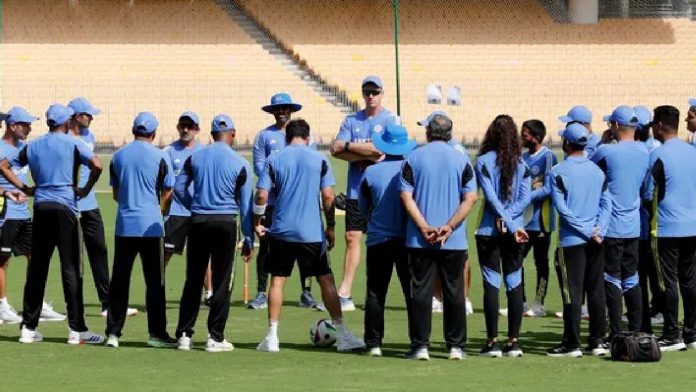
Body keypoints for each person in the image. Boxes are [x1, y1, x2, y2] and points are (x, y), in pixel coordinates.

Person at [254, 119, 364, 353]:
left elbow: (262, 196)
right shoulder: (320, 159)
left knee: (278, 281)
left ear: (287, 137)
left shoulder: (274, 159)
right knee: (326, 280)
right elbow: (328, 197)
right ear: (308, 136)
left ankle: (272, 337)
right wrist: (331, 226)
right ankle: (343, 335)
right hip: (311, 232)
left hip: (282, 230)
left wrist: (257, 221)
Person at [0, 104, 104, 345]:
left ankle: (28, 328)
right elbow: (97, 165)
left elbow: (4, 165)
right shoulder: (73, 143)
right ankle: (77, 330)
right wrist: (85, 189)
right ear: (67, 122)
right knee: (71, 268)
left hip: (41, 209)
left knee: (37, 268)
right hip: (66, 208)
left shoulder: (33, 145)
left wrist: (25, 188)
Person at [400, 113, 478, 361]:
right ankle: (456, 346)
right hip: (452, 240)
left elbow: (405, 195)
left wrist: (423, 226)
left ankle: (420, 345)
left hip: (419, 239)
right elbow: (471, 198)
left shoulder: (413, 157)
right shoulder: (461, 159)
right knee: (454, 292)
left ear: (428, 133)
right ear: (450, 133)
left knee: (420, 292)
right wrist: (450, 226)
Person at [174, 114, 254, 352]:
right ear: (233, 134)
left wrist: (195, 205)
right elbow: (246, 206)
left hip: (198, 221)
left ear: (210, 134)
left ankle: (184, 336)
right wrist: (248, 237)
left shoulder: (195, 157)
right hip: (225, 221)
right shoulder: (241, 163)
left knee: (194, 279)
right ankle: (215, 337)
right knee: (221, 281)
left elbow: (179, 188)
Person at [105, 112, 177, 349]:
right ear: (154, 134)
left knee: (120, 281)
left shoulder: (118, 156)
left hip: (125, 225)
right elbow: (167, 193)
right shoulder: (161, 156)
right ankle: (156, 334)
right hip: (151, 227)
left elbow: (116, 194)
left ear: (133, 130)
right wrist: (157, 210)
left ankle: (113, 334)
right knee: (155, 282)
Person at [330, 75, 399, 311]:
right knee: (352, 237)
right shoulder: (352, 120)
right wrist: (365, 152)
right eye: (367, 92)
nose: (370, 96)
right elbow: (336, 149)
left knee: (384, 240)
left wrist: (354, 150)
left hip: (382, 192)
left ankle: (382, 293)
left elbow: (383, 151)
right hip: (356, 191)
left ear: (381, 93)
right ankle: (345, 292)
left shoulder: (391, 120)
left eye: (375, 92)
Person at [67, 97, 138, 318]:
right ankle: (74, 308)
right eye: (89, 115)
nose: (91, 119)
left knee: (99, 251)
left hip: (90, 204)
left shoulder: (89, 136)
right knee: (73, 258)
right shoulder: (64, 140)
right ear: (77, 116)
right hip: (69, 206)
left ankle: (108, 303)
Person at [248, 93, 319, 310]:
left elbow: (312, 164)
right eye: (278, 109)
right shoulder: (263, 136)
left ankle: (306, 292)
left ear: (291, 111)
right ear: (272, 111)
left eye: (285, 109)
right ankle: (261, 292)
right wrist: (275, 182)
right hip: (272, 202)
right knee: (267, 248)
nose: (282, 112)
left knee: (304, 247)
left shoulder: (306, 136)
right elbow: (259, 166)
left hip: (298, 203)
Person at [546, 123, 611, 358]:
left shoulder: (558, 172)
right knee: (596, 291)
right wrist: (598, 229)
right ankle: (597, 341)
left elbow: (562, 209)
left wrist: (585, 229)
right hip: (596, 240)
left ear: (566, 143)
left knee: (571, 292)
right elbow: (607, 204)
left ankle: (572, 343)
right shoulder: (597, 171)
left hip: (572, 241)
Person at [0, 107, 66, 324]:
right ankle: (2, 305)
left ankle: (37, 302)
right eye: (25, 124)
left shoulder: (26, 149)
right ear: (12, 126)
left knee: (35, 258)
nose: (29, 128)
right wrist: (7, 192)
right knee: (3, 260)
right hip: (5, 214)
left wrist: (29, 190)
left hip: (24, 213)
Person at [474, 114, 531, 358]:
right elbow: (525, 198)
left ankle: (492, 341)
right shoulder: (523, 164)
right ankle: (514, 342)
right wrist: (511, 219)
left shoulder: (483, 162)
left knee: (491, 282)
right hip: (516, 231)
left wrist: (502, 217)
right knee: (514, 282)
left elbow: (489, 195)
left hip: (489, 229)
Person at [359, 124, 417, 358]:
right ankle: (417, 341)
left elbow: (363, 208)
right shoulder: (411, 169)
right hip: (407, 240)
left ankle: (374, 342)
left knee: (375, 292)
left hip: (378, 239)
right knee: (412, 292)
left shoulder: (371, 172)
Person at [591, 105, 649, 338]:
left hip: (610, 225)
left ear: (615, 126)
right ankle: (637, 329)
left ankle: (616, 331)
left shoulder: (606, 151)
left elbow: (589, 171)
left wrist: (602, 143)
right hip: (634, 226)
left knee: (611, 277)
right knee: (632, 276)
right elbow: (646, 191)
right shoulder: (646, 152)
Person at [645, 105, 696, 351]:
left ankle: (671, 333)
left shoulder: (658, 155)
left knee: (667, 281)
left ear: (659, 126)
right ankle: (692, 333)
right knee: (689, 280)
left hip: (667, 227)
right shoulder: (693, 151)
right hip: (693, 225)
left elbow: (647, 191)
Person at [417, 111, 474, 316]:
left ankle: (463, 297)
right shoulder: (444, 150)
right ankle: (438, 296)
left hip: (453, 211)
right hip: (445, 209)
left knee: (460, 257)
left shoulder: (456, 151)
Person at [162, 112, 210, 303]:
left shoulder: (205, 151)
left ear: (197, 129)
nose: (186, 129)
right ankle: (156, 289)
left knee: (204, 255)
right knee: (164, 254)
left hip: (198, 212)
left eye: (190, 126)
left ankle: (209, 294)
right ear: (177, 127)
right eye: (183, 125)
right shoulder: (168, 151)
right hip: (175, 212)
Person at [520, 119, 557, 318]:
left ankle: (539, 303)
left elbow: (550, 188)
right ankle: (521, 302)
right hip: (522, 221)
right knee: (516, 261)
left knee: (540, 262)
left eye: (525, 134)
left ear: (536, 137)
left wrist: (526, 197)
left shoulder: (549, 157)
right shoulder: (522, 158)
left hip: (541, 220)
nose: (522, 137)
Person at [633, 105, 664, 332]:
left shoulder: (648, 151)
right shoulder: (652, 147)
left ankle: (657, 310)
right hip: (651, 218)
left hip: (647, 218)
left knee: (651, 269)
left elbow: (647, 191)